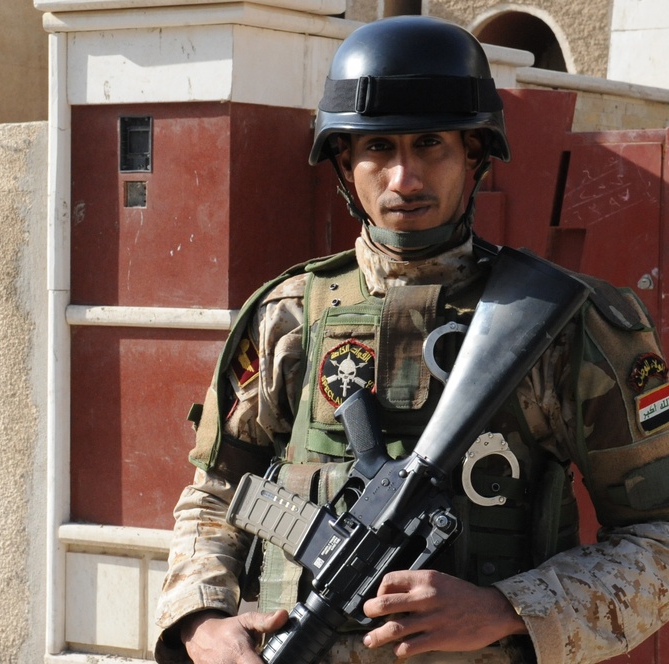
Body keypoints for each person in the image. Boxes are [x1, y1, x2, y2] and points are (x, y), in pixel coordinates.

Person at [155, 15, 669, 664]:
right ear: (344, 161)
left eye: (430, 144)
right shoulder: (289, 318)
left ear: (474, 155)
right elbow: (216, 495)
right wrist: (200, 621)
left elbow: (658, 540)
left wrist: (507, 609)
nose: (404, 177)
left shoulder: (565, 326)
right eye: (378, 148)